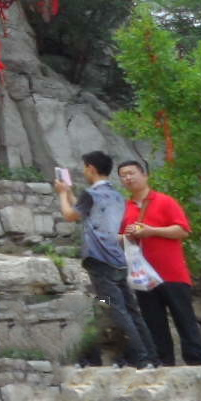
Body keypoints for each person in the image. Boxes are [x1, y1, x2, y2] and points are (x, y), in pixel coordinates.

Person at [56, 150, 158, 368]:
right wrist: (72, 193)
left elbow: (70, 215)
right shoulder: (116, 196)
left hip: (100, 264)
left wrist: (62, 194)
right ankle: (149, 356)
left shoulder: (91, 194)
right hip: (118, 263)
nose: (84, 171)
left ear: (91, 169)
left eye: (85, 168)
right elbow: (85, 212)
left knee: (117, 310)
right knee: (120, 308)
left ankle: (141, 359)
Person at [117, 159, 201, 365]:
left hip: (172, 273)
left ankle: (198, 364)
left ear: (145, 175)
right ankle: (163, 363)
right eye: (123, 175)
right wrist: (127, 236)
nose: (128, 178)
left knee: (185, 320)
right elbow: (117, 238)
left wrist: (152, 231)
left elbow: (183, 230)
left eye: (131, 173)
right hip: (143, 276)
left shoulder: (165, 201)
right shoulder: (125, 208)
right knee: (154, 323)